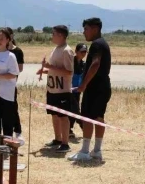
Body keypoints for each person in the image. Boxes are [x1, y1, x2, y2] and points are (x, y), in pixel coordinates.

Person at [68, 18, 112, 162]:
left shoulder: (96, 45)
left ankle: (85, 151)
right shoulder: (103, 43)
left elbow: (95, 64)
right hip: (103, 86)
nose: (84, 32)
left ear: (95, 29)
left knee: (87, 118)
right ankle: (97, 151)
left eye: (86, 29)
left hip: (95, 87)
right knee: (98, 117)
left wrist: (84, 84)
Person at [36, 25, 75, 154]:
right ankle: (58, 139)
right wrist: (45, 70)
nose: (51, 36)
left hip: (62, 90)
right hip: (52, 89)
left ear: (61, 35)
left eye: (53, 34)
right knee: (54, 114)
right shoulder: (56, 49)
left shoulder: (67, 51)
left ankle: (65, 143)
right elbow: (55, 69)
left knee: (63, 116)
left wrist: (49, 66)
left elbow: (69, 72)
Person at [0, 27, 25, 138]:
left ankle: (7, 144)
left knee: (7, 119)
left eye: (2, 38)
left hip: (6, 93)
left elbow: (14, 73)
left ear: (8, 39)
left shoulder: (11, 56)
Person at [69, 43, 88, 138]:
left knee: (73, 109)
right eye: (82, 51)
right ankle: (82, 125)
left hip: (77, 90)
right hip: (69, 90)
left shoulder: (84, 64)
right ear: (76, 51)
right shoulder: (70, 62)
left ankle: (69, 129)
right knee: (75, 109)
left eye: (85, 52)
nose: (84, 53)